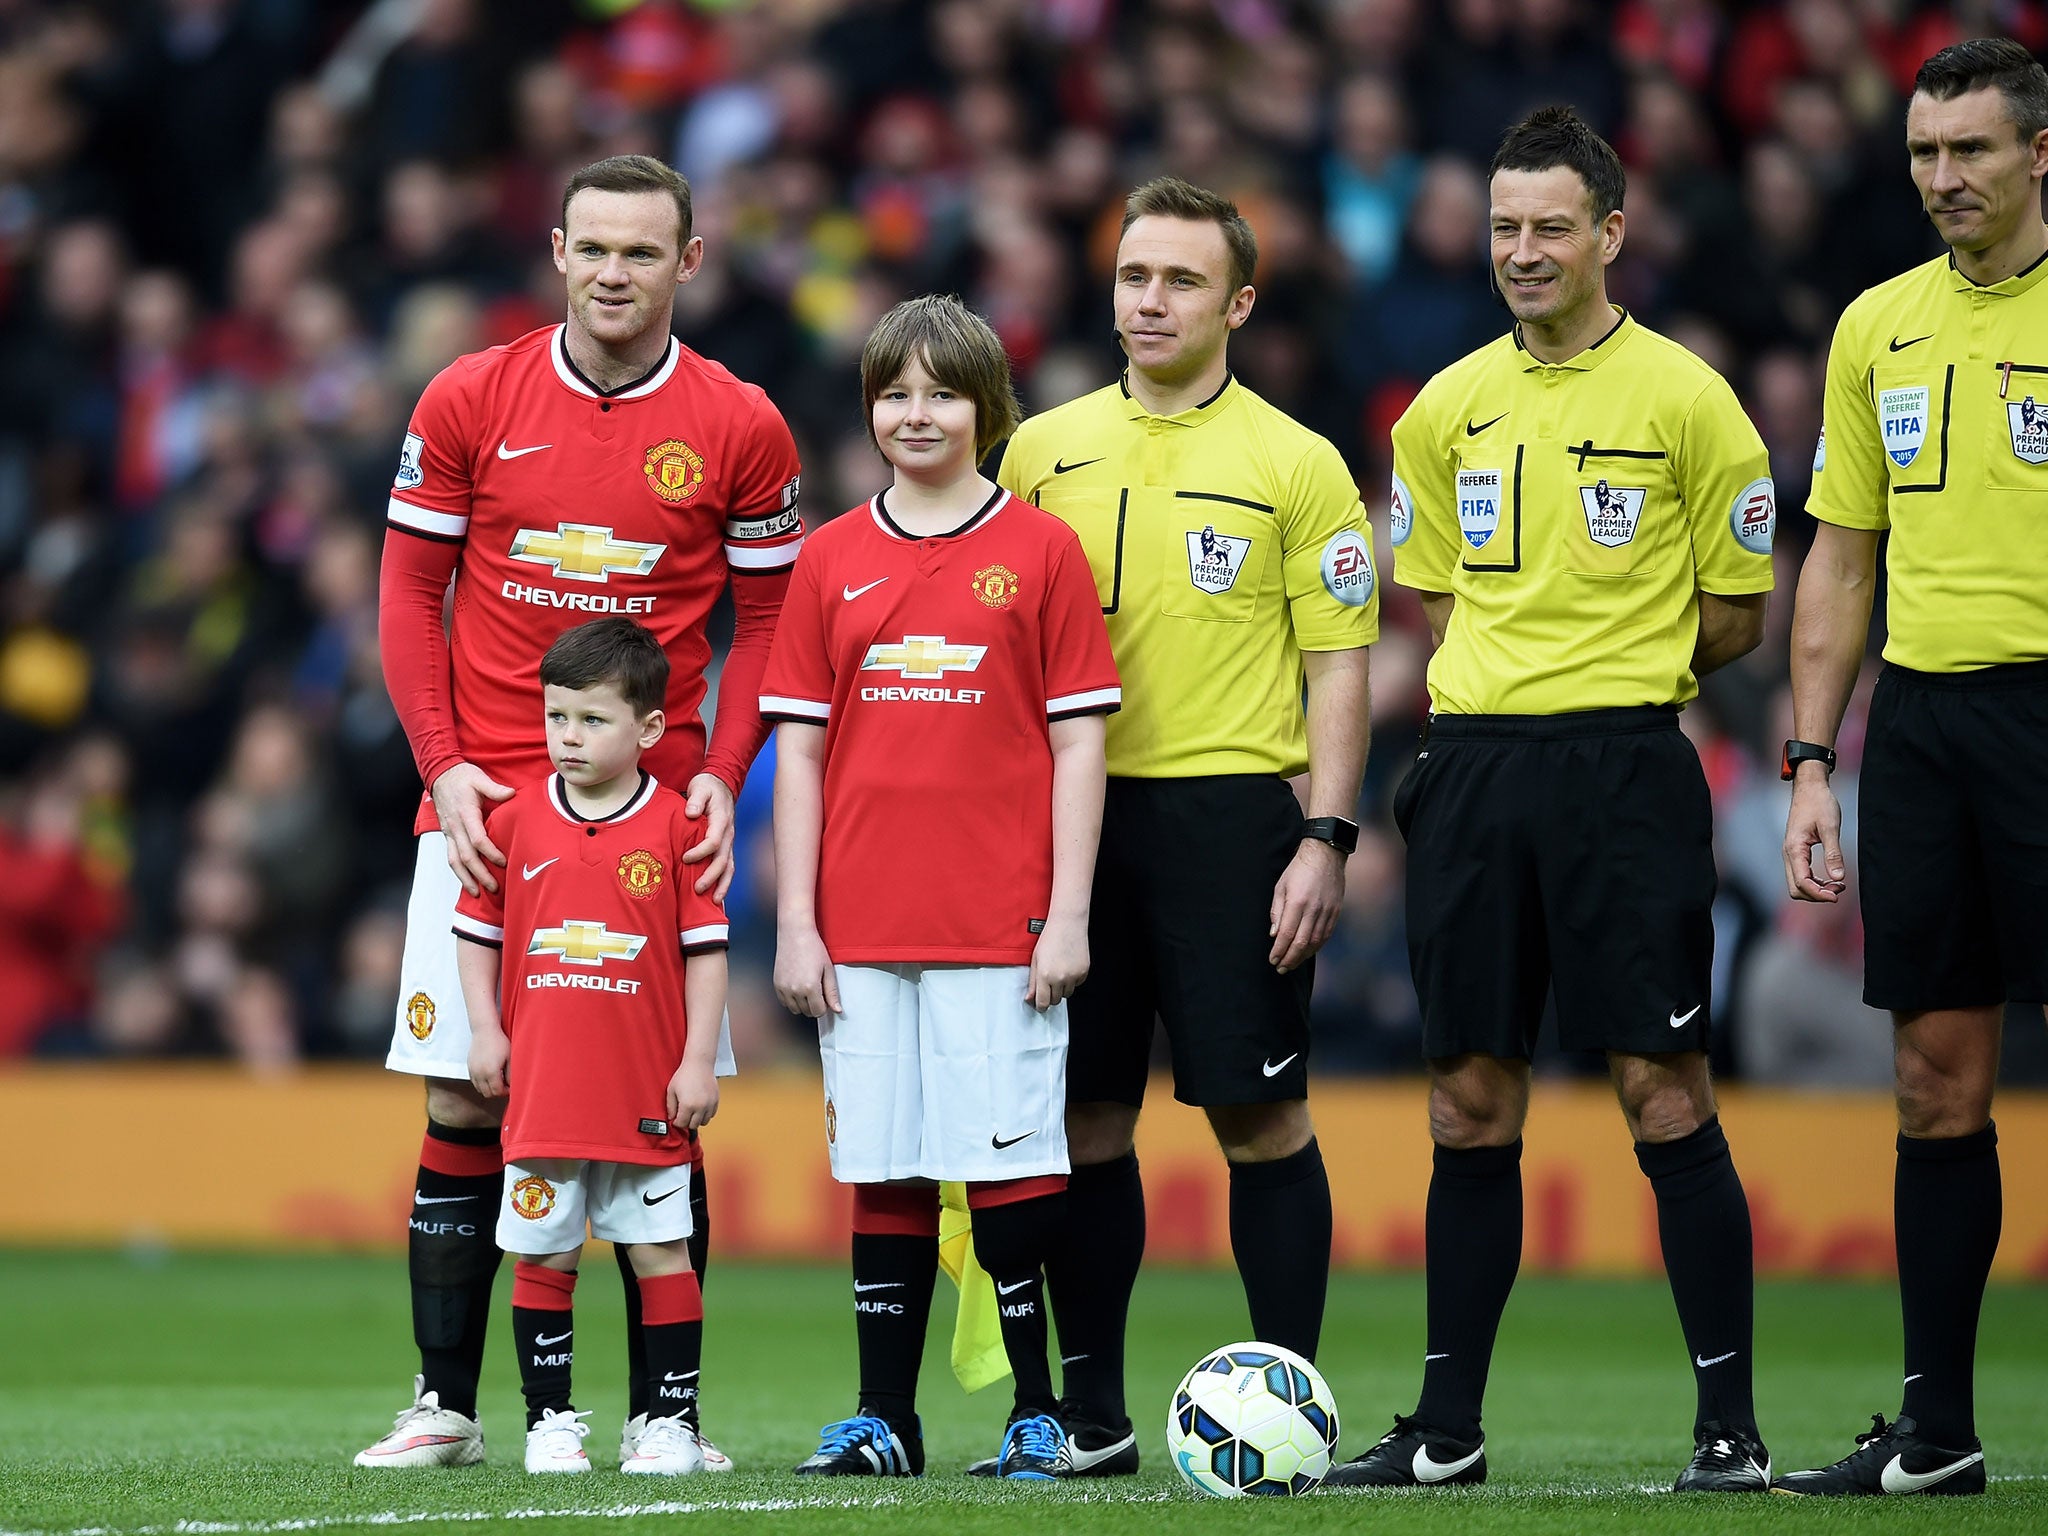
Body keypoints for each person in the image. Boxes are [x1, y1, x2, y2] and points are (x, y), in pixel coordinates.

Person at [1329, 107, 1776, 1494]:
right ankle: (1445, 1436)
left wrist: (1613, 671)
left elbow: (1735, 614)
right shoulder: (1444, 407)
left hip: (1624, 772)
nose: (1523, 252)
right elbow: (1443, 595)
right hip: (1471, 773)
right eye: (1505, 228)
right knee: (1467, 1099)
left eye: (1550, 229)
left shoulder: (1689, 399)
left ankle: (1730, 1432)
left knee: (1661, 1086)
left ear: (1610, 236)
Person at [361, 153, 802, 1472]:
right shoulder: (470, 396)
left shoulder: (738, 423)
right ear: (558, 251)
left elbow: (769, 617)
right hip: (490, 806)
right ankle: (448, 1405)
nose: (615, 273)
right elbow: (406, 597)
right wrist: (444, 768)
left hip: (653, 825)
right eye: (594, 249)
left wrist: (718, 776)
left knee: (660, 1112)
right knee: (463, 1098)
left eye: (642, 251)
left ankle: (673, 1417)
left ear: (689, 262)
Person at [995, 177, 1378, 1475]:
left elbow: (1338, 665)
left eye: (1179, 281)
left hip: (1233, 822)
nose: (1149, 301)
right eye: (1133, 277)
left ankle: (1297, 1409)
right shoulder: (1040, 451)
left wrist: (1325, 833)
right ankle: (1090, 1420)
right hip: (1072, 824)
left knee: (1259, 1120)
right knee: (1085, 1120)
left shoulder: (1297, 462)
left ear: (1240, 302)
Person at [762, 295, 1119, 1479]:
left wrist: (1066, 913)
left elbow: (1079, 744)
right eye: (894, 393)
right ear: (869, 408)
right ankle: (884, 1421)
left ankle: (1034, 1414)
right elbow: (800, 752)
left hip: (999, 923)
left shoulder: (1040, 550)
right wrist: (796, 924)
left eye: (941, 392)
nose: (915, 415)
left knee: (1009, 1160)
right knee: (885, 1164)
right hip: (860, 927)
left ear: (986, 409)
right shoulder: (828, 559)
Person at [1776, 38, 2048, 1499]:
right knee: (1936, 1081)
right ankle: (1936, 1432)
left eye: (1973, 151)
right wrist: (1815, 758)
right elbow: (1842, 554)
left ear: (2039, 153)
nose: (1944, 178)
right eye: (1926, 154)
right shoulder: (1878, 325)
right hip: (1928, 726)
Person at [457, 618, 729, 1476]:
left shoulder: (679, 827)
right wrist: (486, 1029)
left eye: (592, 720)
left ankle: (669, 1421)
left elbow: (707, 955)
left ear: (649, 729)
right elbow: (476, 930)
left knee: (659, 1253)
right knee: (544, 1254)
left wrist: (694, 1060)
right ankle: (550, 1423)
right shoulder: (518, 818)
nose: (568, 738)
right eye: (556, 718)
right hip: (544, 1092)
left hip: (645, 1091)